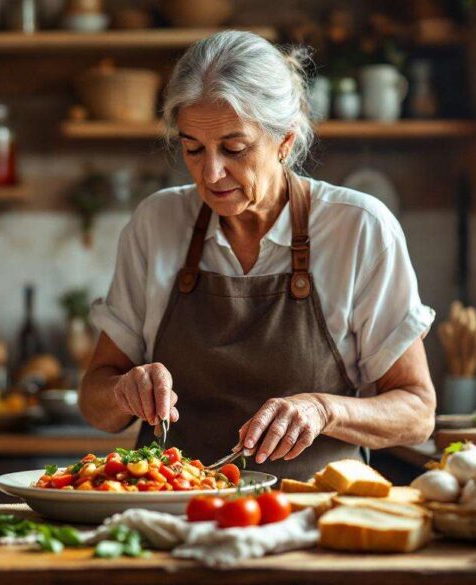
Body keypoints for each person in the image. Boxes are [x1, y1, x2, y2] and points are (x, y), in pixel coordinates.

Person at [78, 31, 436, 480]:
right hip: (170, 505)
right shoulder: (157, 223)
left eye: (234, 148)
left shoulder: (359, 228)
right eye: (192, 148)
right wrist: (122, 393)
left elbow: (417, 412)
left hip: (309, 514)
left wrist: (322, 410)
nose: (211, 173)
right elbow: (95, 402)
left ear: (285, 140)